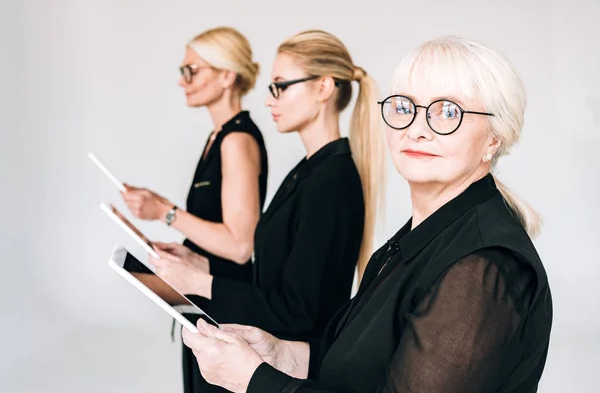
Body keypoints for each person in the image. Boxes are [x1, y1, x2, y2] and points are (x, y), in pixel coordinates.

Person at [181, 36, 554, 393]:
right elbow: (360, 364)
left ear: (494, 138)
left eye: (447, 112)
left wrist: (254, 381)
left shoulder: (482, 268)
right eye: (406, 107)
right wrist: (279, 354)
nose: (417, 129)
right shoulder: (419, 238)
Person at [150, 30, 385, 391]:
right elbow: (278, 277)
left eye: (280, 86)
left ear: (323, 88)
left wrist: (201, 283)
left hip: (288, 374)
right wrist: (202, 266)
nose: (270, 99)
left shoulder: (332, 180)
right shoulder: (308, 170)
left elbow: (297, 311)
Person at [119, 27, 268, 393]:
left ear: (227, 75)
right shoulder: (218, 137)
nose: (183, 81)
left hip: (225, 310)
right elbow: (219, 231)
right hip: (204, 306)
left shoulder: (237, 140)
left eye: (192, 70)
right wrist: (186, 249)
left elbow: (239, 246)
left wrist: (164, 211)